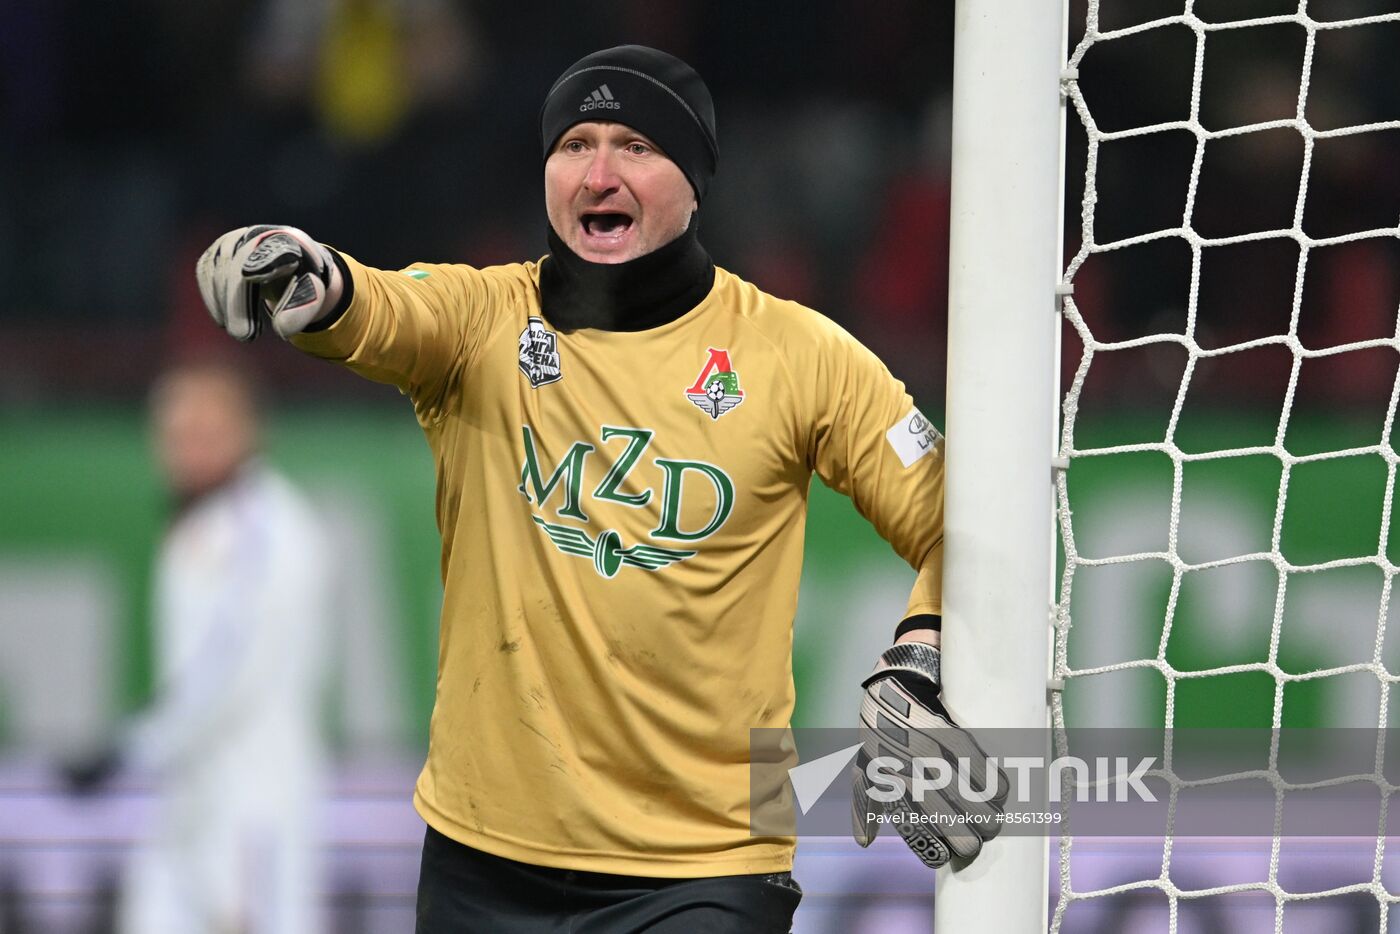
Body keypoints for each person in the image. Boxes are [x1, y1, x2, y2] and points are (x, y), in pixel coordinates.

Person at [194, 45, 999, 934]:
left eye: (635, 147)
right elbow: (377, 307)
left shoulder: (802, 356)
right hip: (482, 861)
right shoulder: (481, 321)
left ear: (695, 180)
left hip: (706, 869)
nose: (599, 174)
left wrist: (923, 649)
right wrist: (307, 271)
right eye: (574, 144)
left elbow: (961, 521)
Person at [67, 358, 334, 934]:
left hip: (251, 804)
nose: (186, 450)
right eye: (175, 434)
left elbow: (227, 667)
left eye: (205, 433)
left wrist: (131, 746)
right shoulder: (204, 521)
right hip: (190, 796)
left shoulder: (263, 526)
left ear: (249, 432)